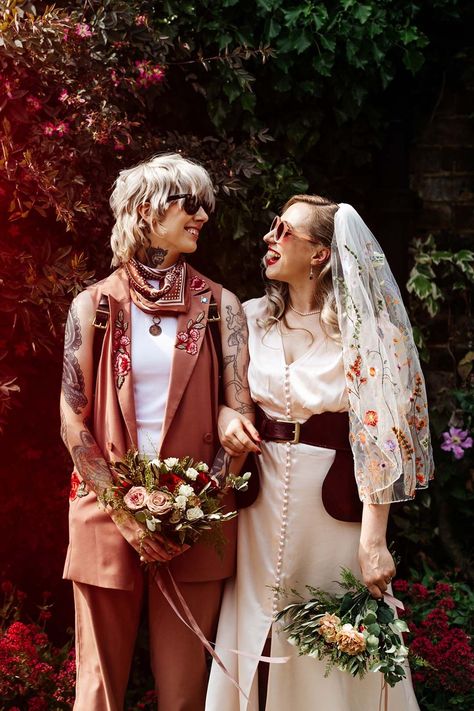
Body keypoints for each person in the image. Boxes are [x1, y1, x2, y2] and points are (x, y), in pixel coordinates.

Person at [205, 195, 433, 710]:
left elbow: (383, 442)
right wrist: (225, 418)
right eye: (272, 226)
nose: (269, 237)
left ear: (320, 255)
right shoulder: (250, 317)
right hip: (258, 504)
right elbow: (225, 398)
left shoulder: (371, 334)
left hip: (333, 507)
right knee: (257, 615)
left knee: (329, 627)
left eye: (284, 231)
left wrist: (374, 541)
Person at [60, 153, 253, 711]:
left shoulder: (221, 307)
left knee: (185, 694)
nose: (203, 217)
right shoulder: (92, 305)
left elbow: (238, 419)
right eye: (189, 204)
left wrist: (193, 515)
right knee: (96, 691)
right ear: (146, 210)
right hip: (104, 513)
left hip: (197, 525)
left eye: (205, 207)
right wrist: (124, 511)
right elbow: (72, 418)